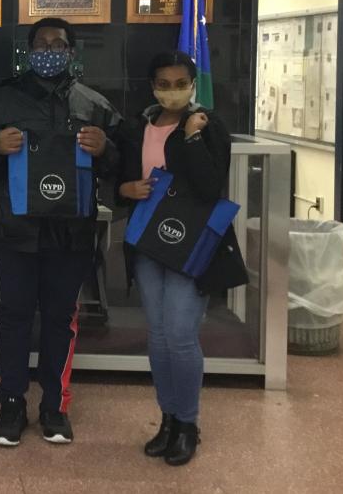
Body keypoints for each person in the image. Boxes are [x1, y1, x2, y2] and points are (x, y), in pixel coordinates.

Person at [0, 17, 120, 447]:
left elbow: (120, 165)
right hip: (12, 232)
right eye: (42, 43)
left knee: (59, 321)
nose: (50, 49)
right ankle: (11, 405)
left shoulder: (93, 104)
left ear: (72, 51)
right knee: (12, 319)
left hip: (70, 235)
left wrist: (106, 149)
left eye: (59, 43)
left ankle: (55, 407)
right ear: (28, 50)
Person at [114, 51, 248, 466]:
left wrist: (190, 136)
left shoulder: (208, 126)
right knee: (158, 334)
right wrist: (124, 189)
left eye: (180, 83)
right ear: (152, 85)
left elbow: (210, 187)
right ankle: (168, 419)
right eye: (164, 83)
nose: (172, 91)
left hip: (190, 246)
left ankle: (188, 424)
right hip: (148, 243)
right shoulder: (139, 126)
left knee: (181, 335)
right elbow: (116, 174)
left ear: (193, 84)